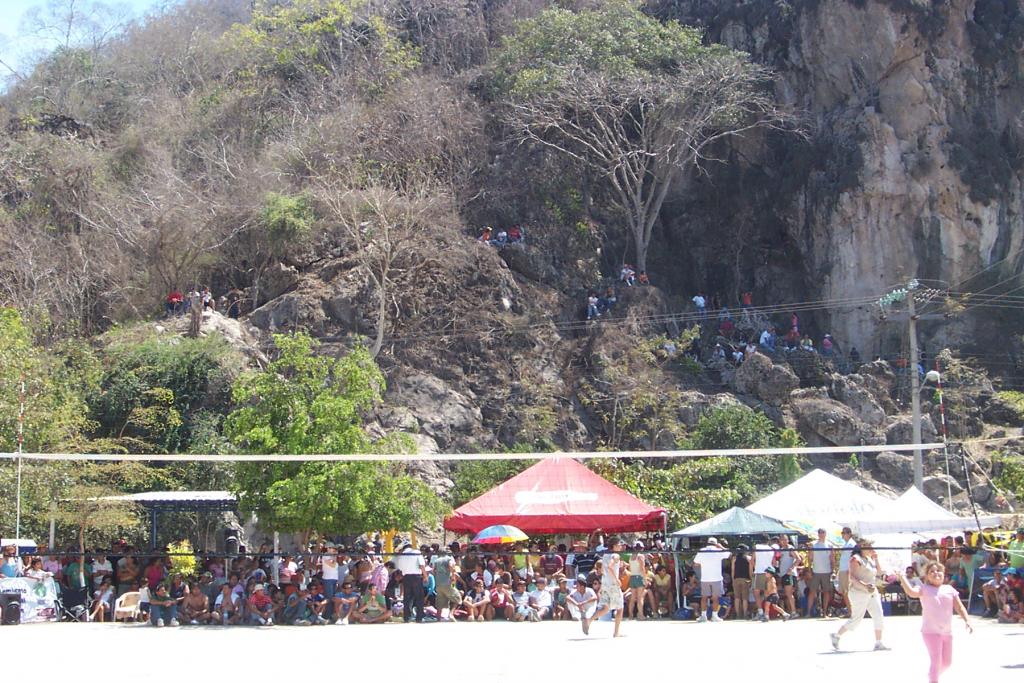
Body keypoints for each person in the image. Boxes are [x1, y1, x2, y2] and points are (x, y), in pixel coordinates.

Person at [899, 562, 972, 682]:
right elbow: (911, 592)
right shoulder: (924, 588)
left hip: (947, 632)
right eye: (931, 571)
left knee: (947, 663)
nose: (935, 573)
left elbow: (959, 607)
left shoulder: (949, 589)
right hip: (930, 632)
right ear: (926, 576)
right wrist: (902, 577)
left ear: (944, 574)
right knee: (936, 660)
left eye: (938, 570)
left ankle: (932, 676)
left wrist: (967, 620)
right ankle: (933, 679)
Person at [831, 539, 889, 651]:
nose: (871, 548)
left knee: (878, 615)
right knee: (856, 620)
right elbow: (852, 577)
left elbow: (880, 572)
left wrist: (876, 559)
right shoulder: (855, 559)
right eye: (869, 546)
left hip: (871, 592)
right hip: (858, 592)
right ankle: (836, 635)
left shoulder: (870, 559)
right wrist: (865, 585)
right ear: (863, 546)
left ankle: (878, 642)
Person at [591, 537, 625, 636]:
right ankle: (616, 632)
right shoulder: (616, 555)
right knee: (620, 608)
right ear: (614, 546)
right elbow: (610, 567)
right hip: (613, 584)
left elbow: (602, 570)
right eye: (619, 545)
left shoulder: (605, 555)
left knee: (606, 608)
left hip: (605, 583)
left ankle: (589, 619)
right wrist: (616, 579)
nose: (620, 547)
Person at [693, 537, 729, 623]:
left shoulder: (702, 551)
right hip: (716, 578)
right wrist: (721, 547)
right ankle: (715, 616)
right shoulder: (719, 550)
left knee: (704, 598)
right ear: (715, 543)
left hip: (705, 578)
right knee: (715, 598)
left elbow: (695, 563)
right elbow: (729, 554)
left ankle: (703, 616)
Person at [395, 543, 426, 623]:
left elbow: (400, 568)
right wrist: (425, 576)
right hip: (416, 577)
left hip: (406, 577)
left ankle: (406, 617)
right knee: (419, 597)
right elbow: (422, 565)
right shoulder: (416, 552)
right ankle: (419, 617)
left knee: (407, 598)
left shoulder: (402, 555)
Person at [807, 528, 834, 618]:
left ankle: (825, 612)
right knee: (812, 592)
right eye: (820, 533)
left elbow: (832, 559)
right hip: (816, 571)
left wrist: (833, 570)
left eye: (823, 532)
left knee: (826, 592)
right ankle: (808, 612)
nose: (821, 534)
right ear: (818, 534)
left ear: (825, 534)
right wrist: (809, 571)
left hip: (826, 572)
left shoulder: (829, 545)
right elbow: (810, 559)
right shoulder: (814, 545)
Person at [431, 545, 460, 619]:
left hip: (438, 585)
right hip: (448, 583)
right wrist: (453, 576)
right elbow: (451, 566)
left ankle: (438, 618)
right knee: (458, 597)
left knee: (439, 603)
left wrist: (437, 577)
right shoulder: (448, 559)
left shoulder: (436, 561)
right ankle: (451, 614)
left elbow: (433, 571)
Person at [777, 534, 801, 617]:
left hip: (789, 574)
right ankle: (791, 611)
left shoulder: (790, 548)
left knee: (789, 593)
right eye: (781, 540)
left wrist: (791, 568)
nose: (783, 541)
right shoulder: (781, 550)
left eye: (785, 539)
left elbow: (798, 559)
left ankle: (794, 612)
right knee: (786, 594)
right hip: (782, 574)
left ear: (787, 540)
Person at [731, 544, 752, 620]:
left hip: (736, 579)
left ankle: (737, 614)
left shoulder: (734, 558)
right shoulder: (748, 558)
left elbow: (733, 570)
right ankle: (745, 614)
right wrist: (751, 579)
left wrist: (733, 580)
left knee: (737, 597)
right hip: (745, 579)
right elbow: (750, 570)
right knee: (745, 598)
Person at [627, 543, 647, 619]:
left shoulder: (631, 556)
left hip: (632, 576)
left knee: (632, 598)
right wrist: (645, 579)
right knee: (640, 597)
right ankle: (641, 615)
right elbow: (642, 568)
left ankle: (630, 615)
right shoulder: (640, 556)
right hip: (639, 577)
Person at [838, 526, 856, 611]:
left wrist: (850, 570)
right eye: (842, 533)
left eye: (844, 533)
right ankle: (850, 610)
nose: (842, 535)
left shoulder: (851, 544)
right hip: (843, 570)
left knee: (847, 592)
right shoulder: (846, 543)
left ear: (849, 534)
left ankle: (851, 611)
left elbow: (852, 558)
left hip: (846, 570)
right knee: (844, 592)